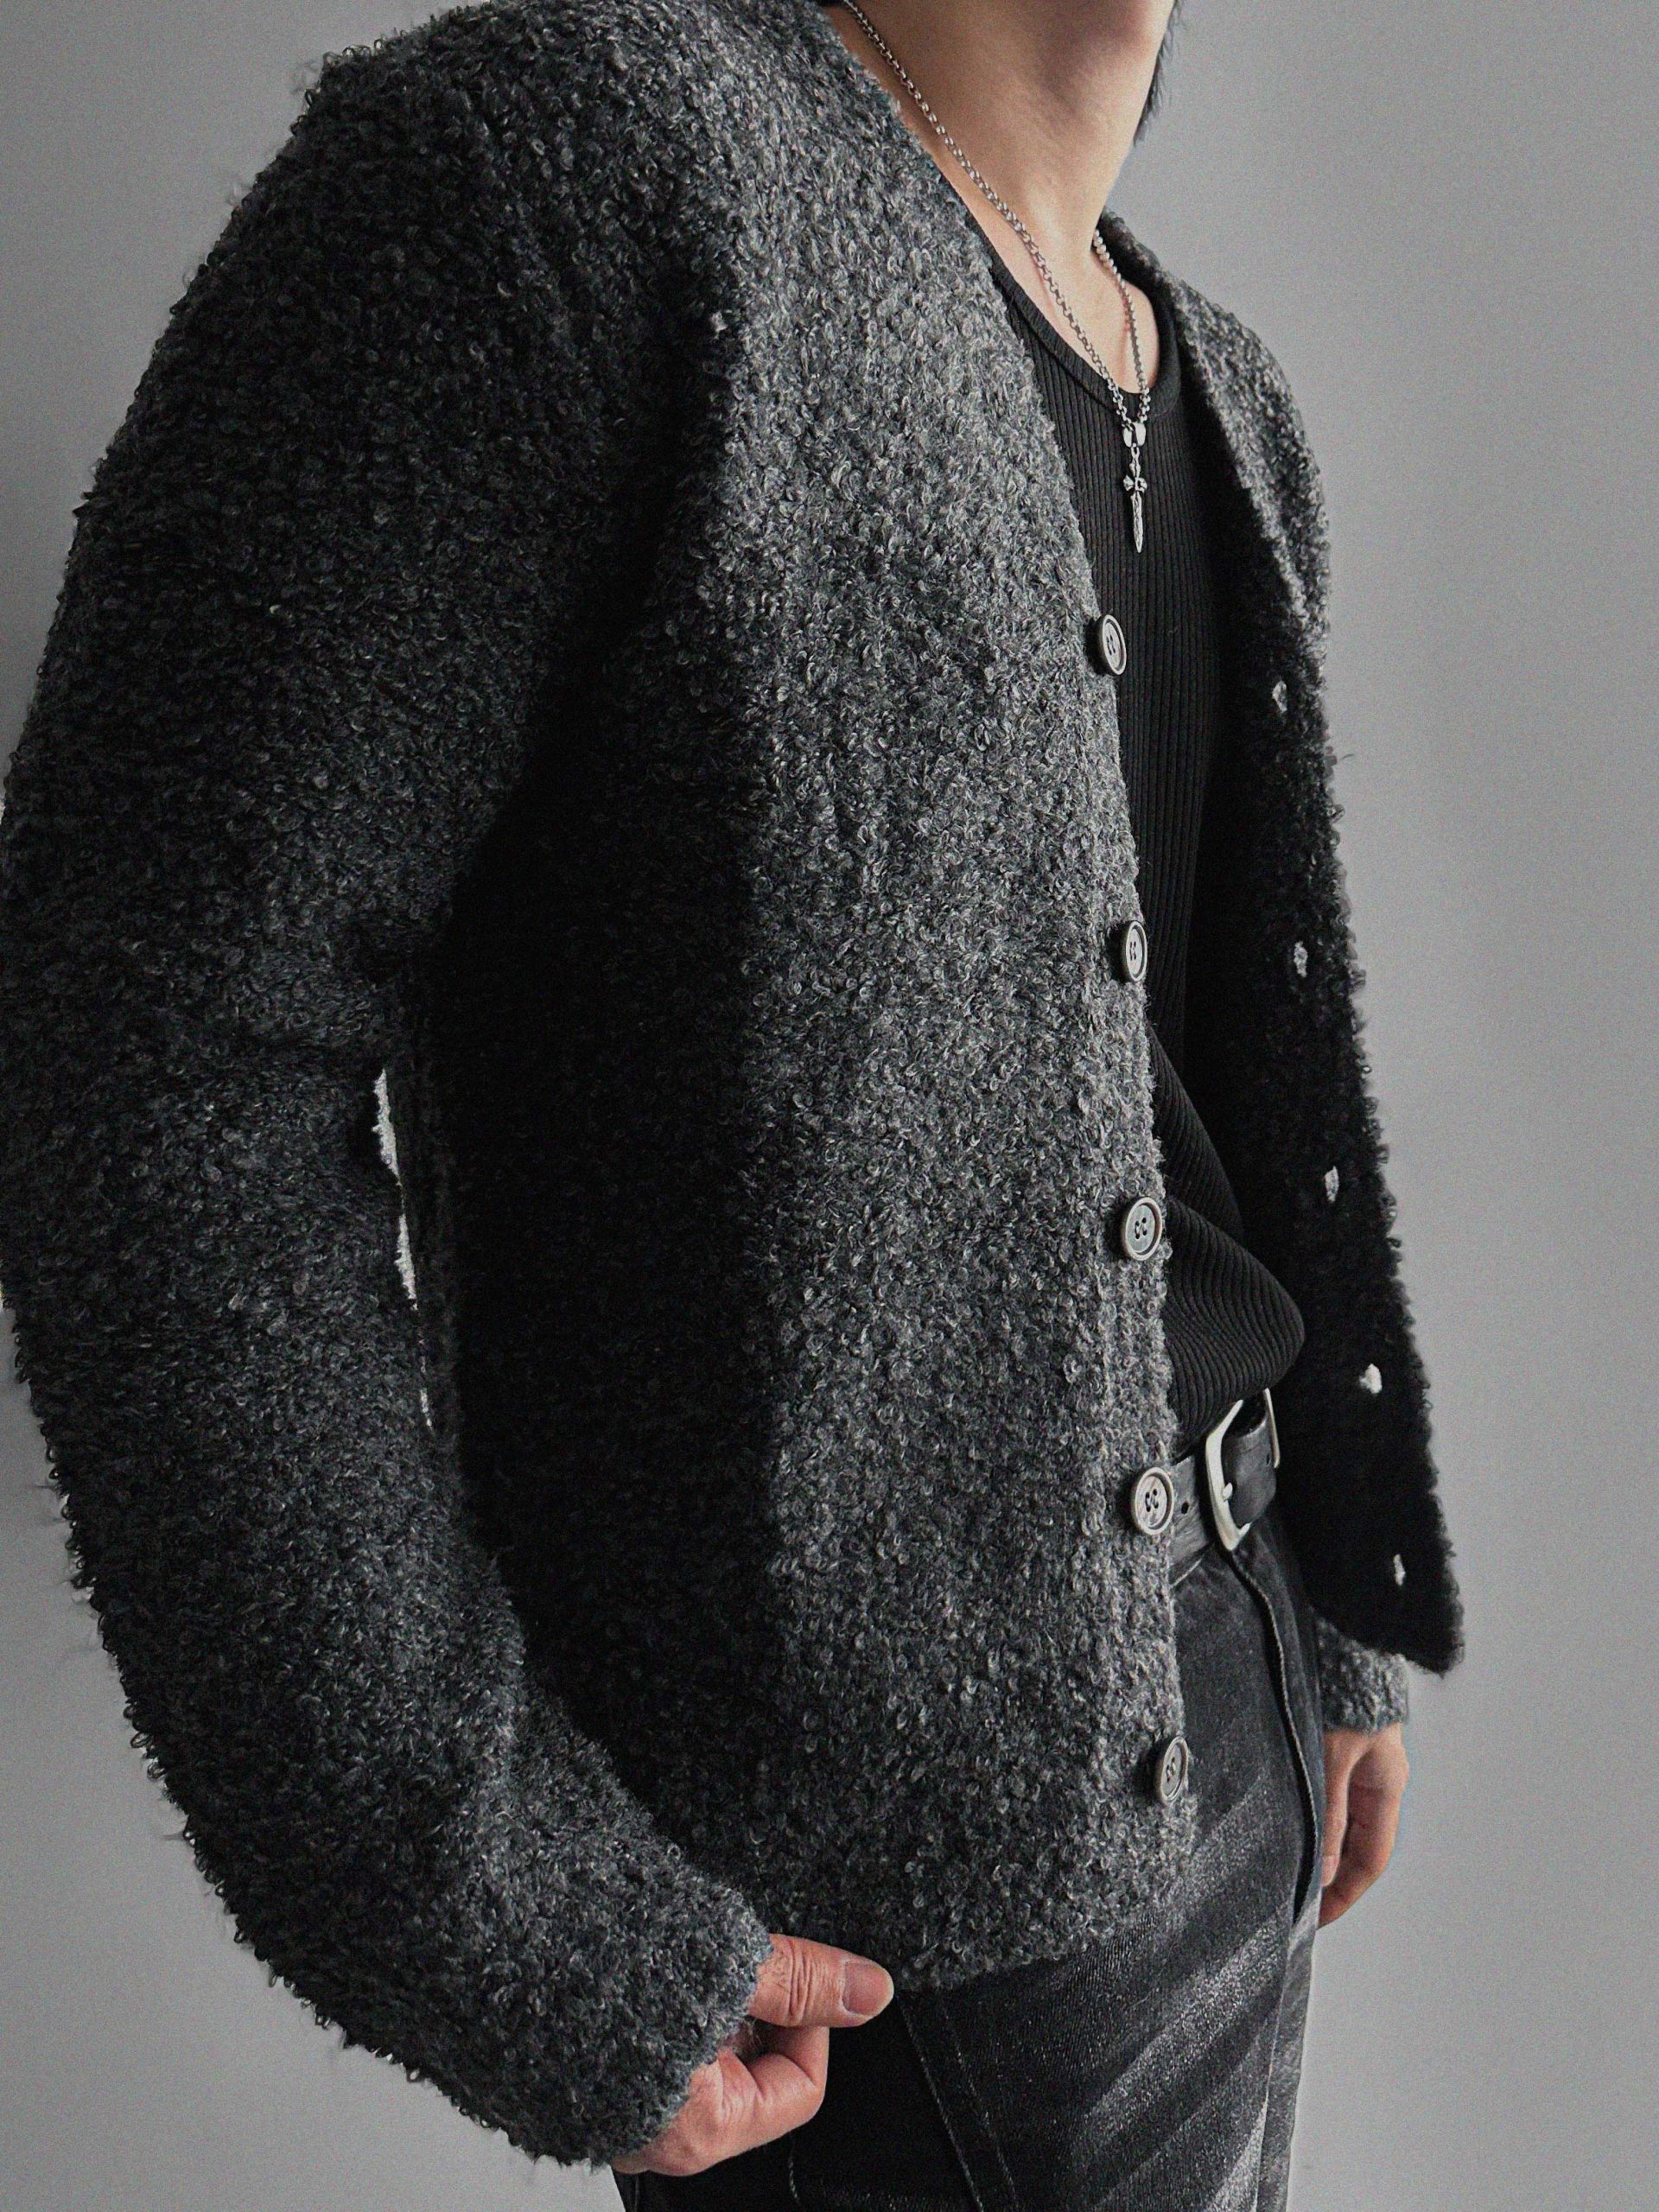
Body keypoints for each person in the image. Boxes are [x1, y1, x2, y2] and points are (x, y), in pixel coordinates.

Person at [0, 0, 1462, 2204]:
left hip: (1244, 1717)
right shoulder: (567, 179)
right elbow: (151, 1033)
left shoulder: (1219, 389)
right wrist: (494, 1901)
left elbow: (1213, 1099)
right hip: (900, 1935)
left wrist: (1323, 1601)